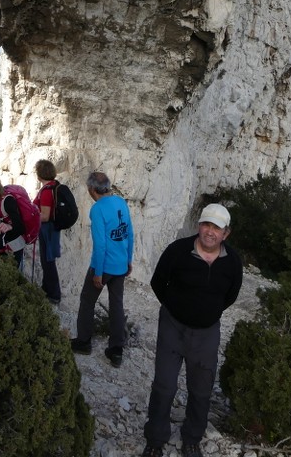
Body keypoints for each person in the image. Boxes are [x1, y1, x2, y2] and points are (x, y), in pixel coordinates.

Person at [141, 203, 243, 457]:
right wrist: (177, 308)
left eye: (216, 228)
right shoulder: (178, 250)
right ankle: (155, 440)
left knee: (201, 389)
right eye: (206, 224)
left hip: (207, 333)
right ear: (199, 225)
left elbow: (230, 296)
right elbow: (157, 282)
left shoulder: (232, 263)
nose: (209, 231)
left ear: (226, 233)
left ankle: (192, 439)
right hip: (172, 327)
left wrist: (207, 313)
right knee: (164, 385)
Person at [70, 171, 133, 368]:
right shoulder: (120, 202)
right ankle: (116, 351)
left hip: (104, 266)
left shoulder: (97, 209)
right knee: (117, 305)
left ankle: (83, 342)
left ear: (91, 189)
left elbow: (100, 245)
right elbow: (129, 233)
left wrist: (97, 272)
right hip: (121, 264)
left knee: (87, 300)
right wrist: (128, 259)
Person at [33, 159, 62, 305]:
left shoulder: (46, 191)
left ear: (40, 175)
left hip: (48, 230)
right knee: (47, 260)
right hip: (51, 229)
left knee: (48, 261)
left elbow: (45, 215)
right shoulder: (53, 186)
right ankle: (46, 289)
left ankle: (54, 294)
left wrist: (32, 216)